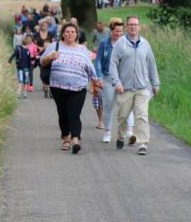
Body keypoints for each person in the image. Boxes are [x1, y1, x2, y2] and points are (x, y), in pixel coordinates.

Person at [40, 22, 97, 154]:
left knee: (74, 114)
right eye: (67, 32)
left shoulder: (82, 49)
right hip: (58, 86)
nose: (70, 34)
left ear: (76, 34)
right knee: (63, 113)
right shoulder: (55, 46)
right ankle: (66, 137)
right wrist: (50, 57)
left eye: (72, 32)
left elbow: (90, 67)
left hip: (78, 87)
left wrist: (96, 82)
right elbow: (42, 61)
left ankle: (75, 139)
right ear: (63, 34)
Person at [109, 16, 160, 155]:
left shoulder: (145, 44)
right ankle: (120, 136)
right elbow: (113, 64)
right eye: (130, 25)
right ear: (126, 26)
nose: (133, 27)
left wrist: (155, 83)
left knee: (142, 115)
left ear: (139, 27)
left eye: (135, 25)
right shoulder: (121, 44)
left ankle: (143, 143)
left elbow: (151, 64)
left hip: (142, 88)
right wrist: (117, 82)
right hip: (124, 88)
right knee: (122, 116)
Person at [95, 17, 135, 143]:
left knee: (127, 105)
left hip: (124, 79)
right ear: (111, 31)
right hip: (107, 78)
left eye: (121, 31)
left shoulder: (127, 43)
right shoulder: (104, 43)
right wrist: (99, 77)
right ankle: (107, 131)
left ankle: (130, 132)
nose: (119, 34)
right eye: (116, 31)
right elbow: (98, 61)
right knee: (108, 106)